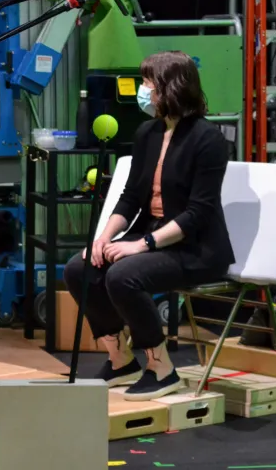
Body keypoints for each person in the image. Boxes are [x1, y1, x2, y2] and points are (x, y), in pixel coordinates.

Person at [62, 50, 234, 401]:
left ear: (169, 88)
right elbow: (130, 196)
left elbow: (198, 213)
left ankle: (161, 367)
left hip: (196, 247)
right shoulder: (147, 132)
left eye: (147, 84)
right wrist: (104, 238)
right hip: (153, 234)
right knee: (80, 268)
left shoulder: (208, 139)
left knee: (124, 275)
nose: (143, 91)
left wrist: (140, 246)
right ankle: (120, 359)